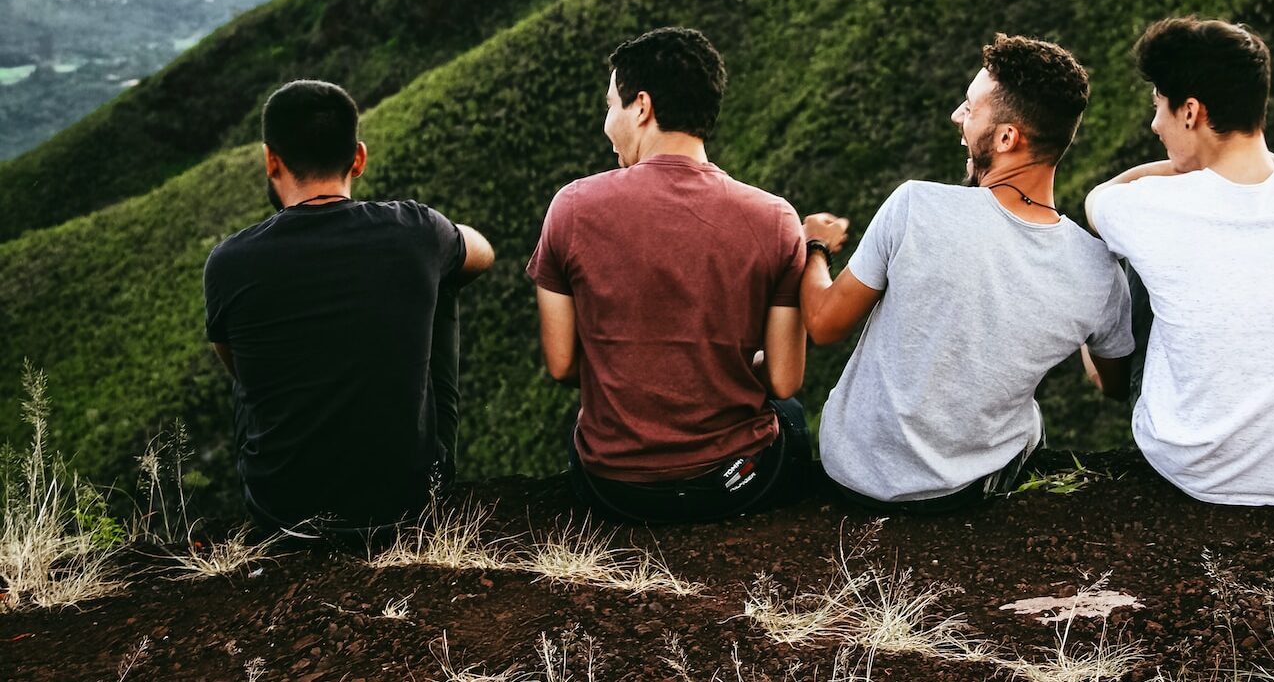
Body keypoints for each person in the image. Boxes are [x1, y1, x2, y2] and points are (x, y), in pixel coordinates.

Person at [801, 34, 1135, 514]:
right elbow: (1113, 384)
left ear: (1006, 138)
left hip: (851, 474)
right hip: (962, 494)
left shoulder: (915, 205)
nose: (958, 116)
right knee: (1030, 419)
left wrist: (814, 247)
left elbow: (824, 324)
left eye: (970, 108)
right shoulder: (1099, 271)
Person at [1085, 17, 1274, 506]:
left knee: (1133, 257)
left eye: (1159, 108)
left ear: (1190, 111)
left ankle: (1116, 387)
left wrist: (1180, 169)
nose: (1154, 125)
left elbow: (1100, 199)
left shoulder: (1144, 206)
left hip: (1190, 465)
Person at [528, 27, 813, 523]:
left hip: (613, 488)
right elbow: (785, 379)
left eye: (610, 106)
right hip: (734, 484)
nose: (606, 123)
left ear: (641, 107)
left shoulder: (572, 207)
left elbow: (562, 365)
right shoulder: (776, 218)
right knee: (790, 416)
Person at [204, 79, 495, 539]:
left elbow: (241, 371)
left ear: (270, 159)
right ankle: (427, 464)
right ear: (358, 158)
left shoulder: (228, 262)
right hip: (406, 501)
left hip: (281, 508)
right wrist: (436, 240)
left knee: (252, 355)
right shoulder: (416, 230)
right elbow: (483, 253)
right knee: (445, 277)